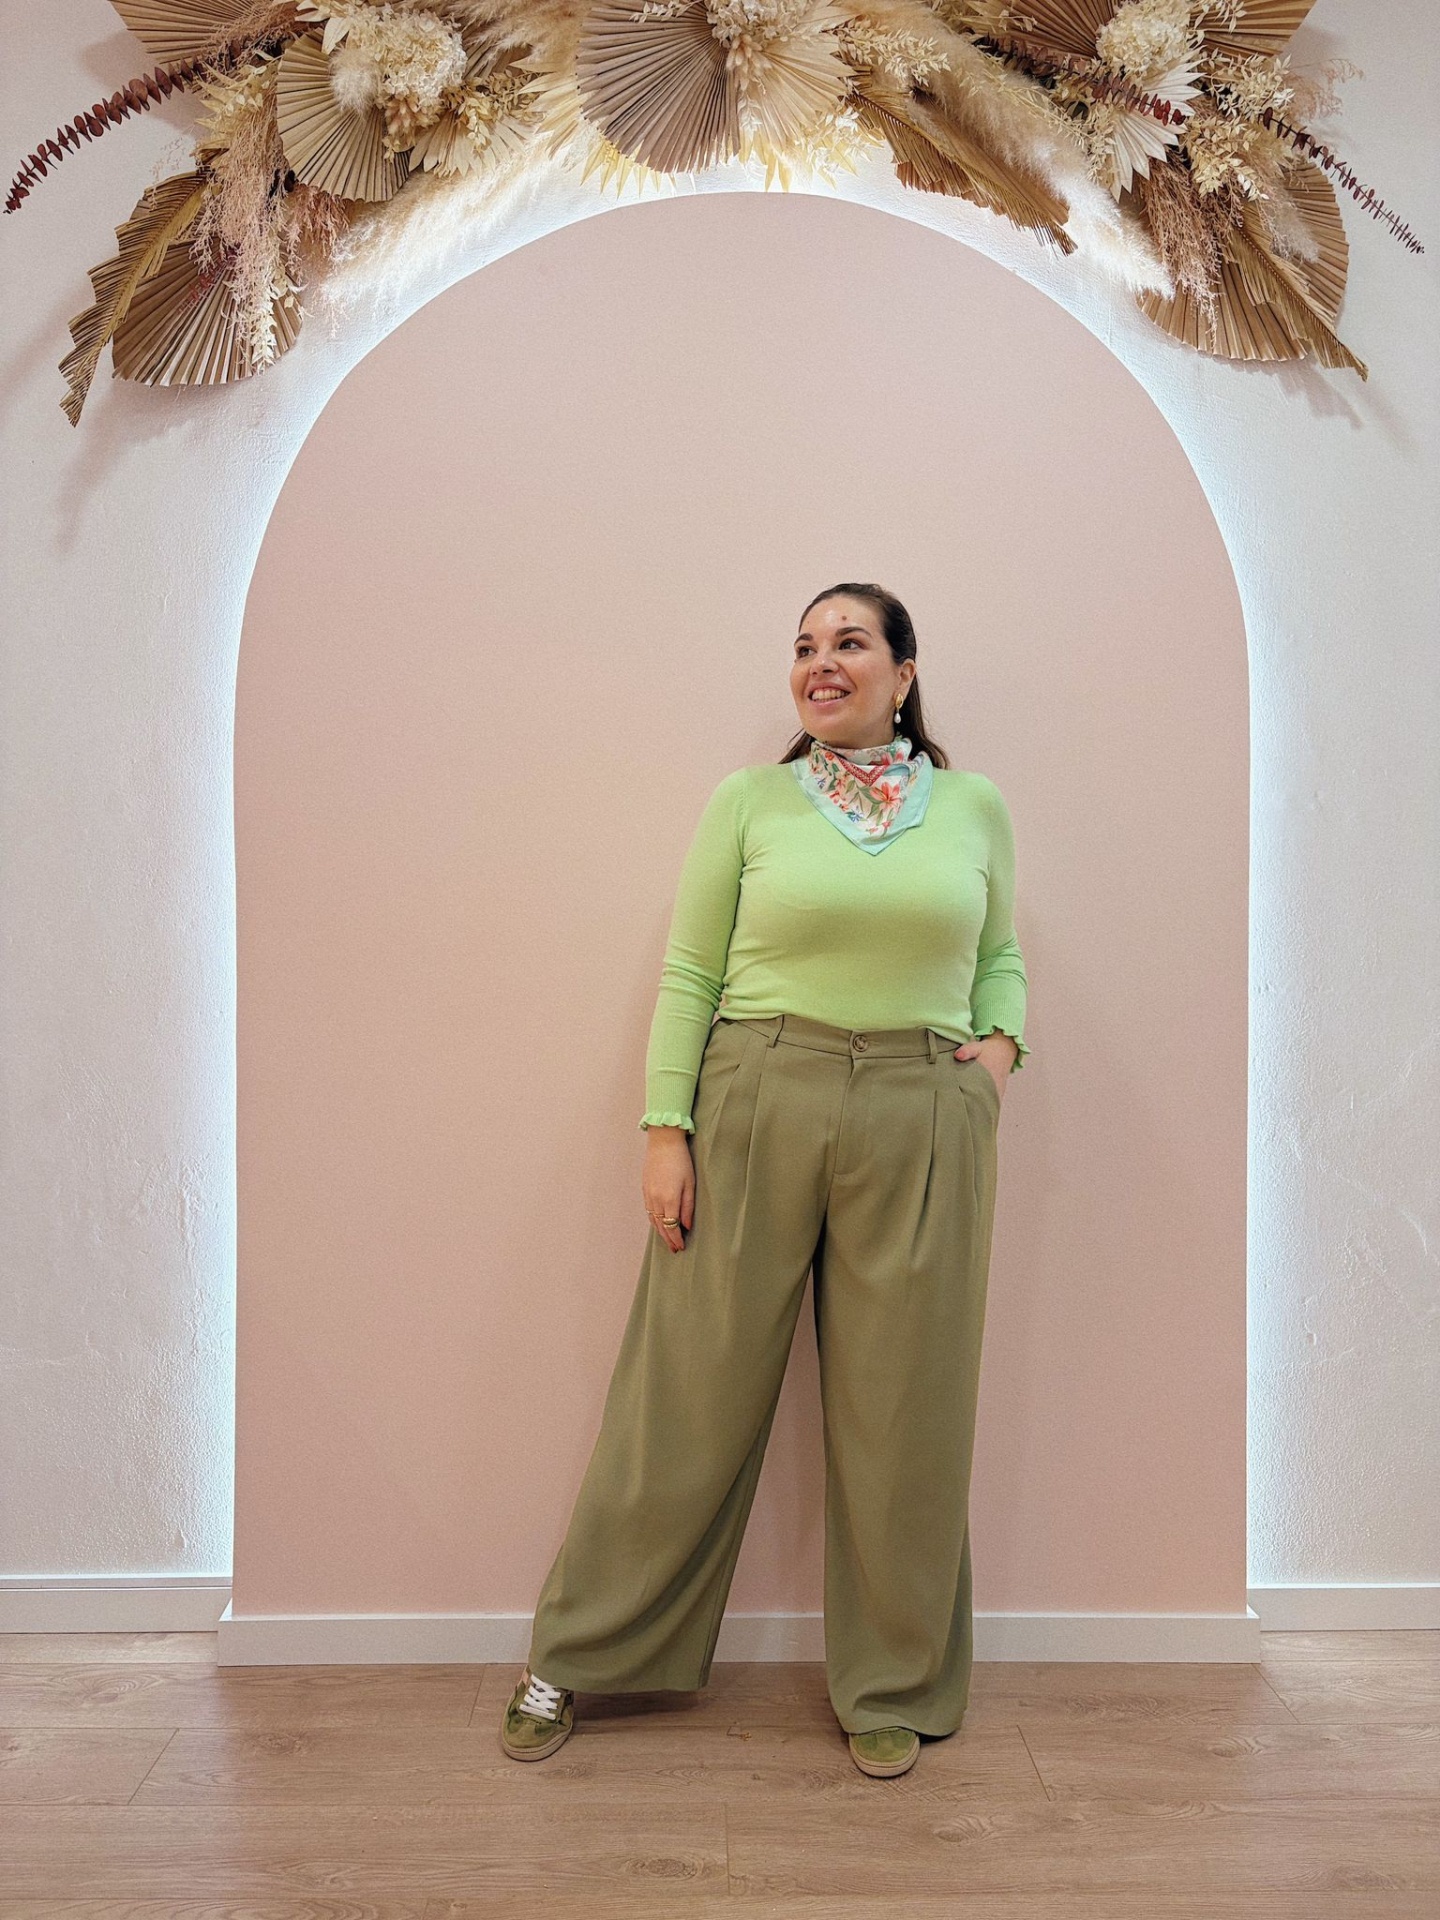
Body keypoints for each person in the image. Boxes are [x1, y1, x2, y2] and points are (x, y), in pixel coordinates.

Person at [500, 582, 1028, 1778]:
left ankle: (894, 1682)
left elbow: (999, 953)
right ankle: (575, 1654)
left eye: (850, 643)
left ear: (904, 672)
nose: (820, 663)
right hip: (756, 1093)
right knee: (684, 1398)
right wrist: (665, 1129)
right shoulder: (750, 801)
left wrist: (998, 1054)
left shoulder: (975, 807)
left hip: (922, 1111)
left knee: (907, 1414)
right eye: (804, 646)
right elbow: (692, 972)